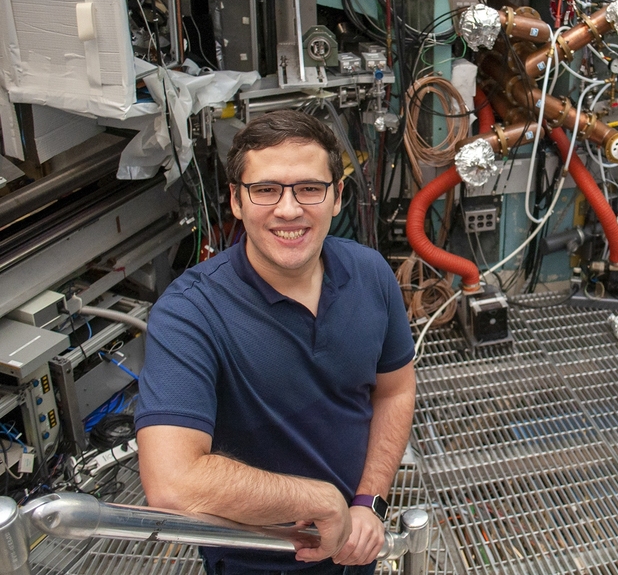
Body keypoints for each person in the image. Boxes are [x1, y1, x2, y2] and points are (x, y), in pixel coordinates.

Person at [134, 109, 416, 575]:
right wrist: (320, 500)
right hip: (260, 561)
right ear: (237, 201)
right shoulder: (190, 314)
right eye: (265, 190)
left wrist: (369, 501)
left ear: (337, 196)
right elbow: (172, 483)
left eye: (309, 188)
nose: (289, 209)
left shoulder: (370, 274)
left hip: (358, 543)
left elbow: (395, 390)